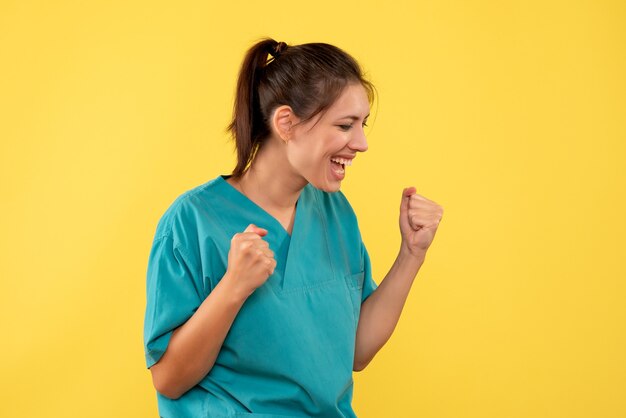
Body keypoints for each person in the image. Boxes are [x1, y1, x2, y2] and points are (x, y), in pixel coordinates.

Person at [143, 37, 444, 418]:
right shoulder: (192, 222)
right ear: (286, 123)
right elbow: (168, 379)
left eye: (362, 125)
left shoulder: (335, 214)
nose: (362, 143)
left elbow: (356, 352)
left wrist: (412, 254)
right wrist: (233, 286)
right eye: (345, 125)